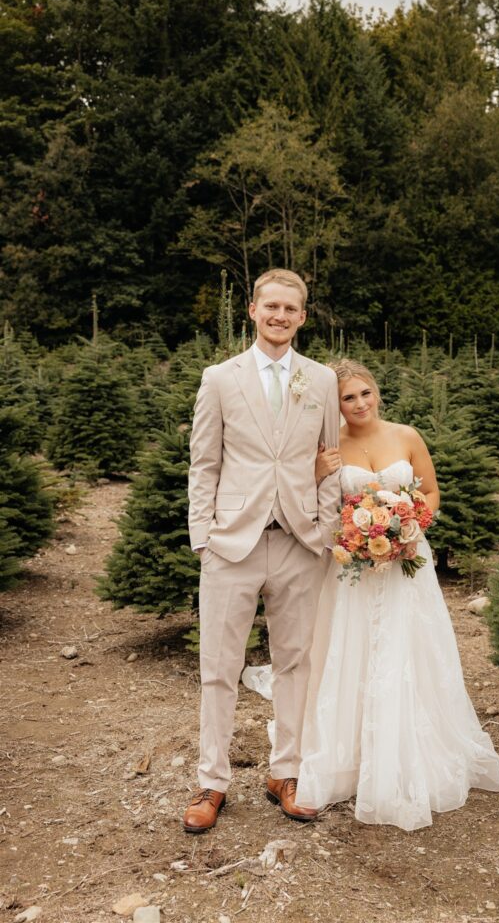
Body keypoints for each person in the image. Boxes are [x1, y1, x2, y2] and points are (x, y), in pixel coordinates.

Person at [296, 358, 499, 831]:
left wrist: (409, 525)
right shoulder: (329, 448)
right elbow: (310, 502)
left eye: (364, 392)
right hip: (354, 565)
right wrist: (315, 474)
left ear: (376, 391)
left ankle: (408, 752)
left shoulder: (406, 436)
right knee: (352, 650)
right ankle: (348, 757)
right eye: (348, 397)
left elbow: (431, 493)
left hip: (405, 561)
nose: (359, 403)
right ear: (336, 404)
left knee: (406, 648)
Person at [183, 269, 341, 832]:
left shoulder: (321, 380)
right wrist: (204, 536)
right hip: (232, 544)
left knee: (296, 664)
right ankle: (212, 781)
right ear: (252, 310)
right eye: (270, 306)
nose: (280, 316)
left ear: (303, 316)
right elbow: (204, 463)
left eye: (290, 309)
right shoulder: (219, 378)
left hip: (300, 543)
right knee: (219, 667)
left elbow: (330, 457)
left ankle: (286, 772)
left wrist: (323, 531)